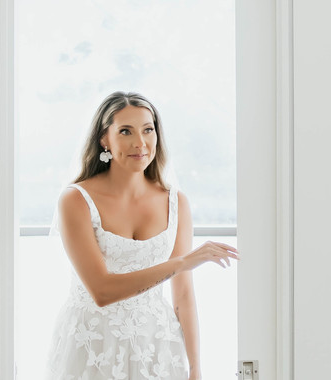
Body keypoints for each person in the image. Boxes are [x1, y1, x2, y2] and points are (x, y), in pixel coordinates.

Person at [47, 91, 238, 380]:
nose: (140, 143)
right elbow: (102, 291)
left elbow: (183, 294)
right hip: (92, 343)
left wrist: (196, 366)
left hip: (157, 344)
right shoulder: (75, 200)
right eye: (125, 131)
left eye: (148, 130)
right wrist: (183, 262)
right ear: (104, 139)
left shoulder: (176, 202)